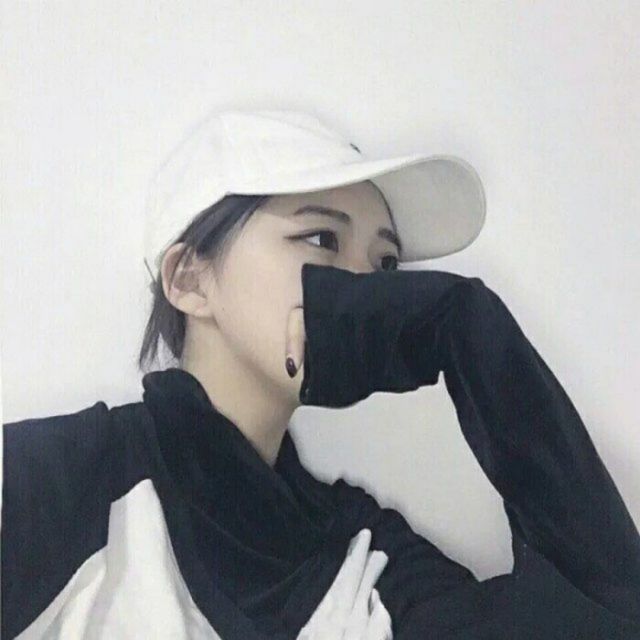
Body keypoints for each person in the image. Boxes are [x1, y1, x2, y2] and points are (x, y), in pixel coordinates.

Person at [2, 109, 639, 639]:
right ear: (189, 280)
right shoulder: (54, 480)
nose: (362, 285)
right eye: (321, 240)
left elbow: (606, 616)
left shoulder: (364, 557)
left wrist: (467, 329)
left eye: (386, 267)